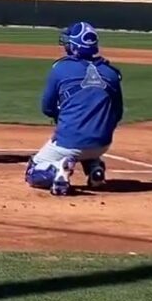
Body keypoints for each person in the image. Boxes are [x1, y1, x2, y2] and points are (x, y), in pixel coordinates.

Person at [25, 21, 124, 196]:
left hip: (69, 143)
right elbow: (118, 113)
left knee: (33, 172)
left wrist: (63, 120)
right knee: (86, 142)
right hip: (103, 144)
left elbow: (47, 107)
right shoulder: (111, 73)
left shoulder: (60, 68)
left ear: (76, 45)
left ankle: (58, 170)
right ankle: (95, 168)